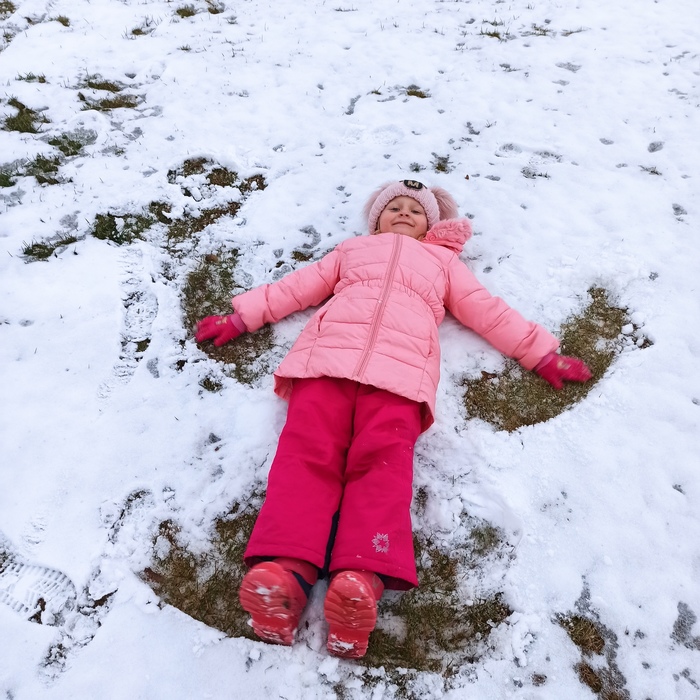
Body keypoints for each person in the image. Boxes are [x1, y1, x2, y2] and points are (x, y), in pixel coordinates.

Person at [195, 179, 591, 658]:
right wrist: (243, 317)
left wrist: (540, 354)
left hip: (399, 378)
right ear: (377, 221)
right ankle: (287, 575)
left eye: (415, 210)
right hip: (326, 365)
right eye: (394, 207)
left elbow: (487, 311)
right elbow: (296, 288)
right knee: (304, 456)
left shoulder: (443, 263)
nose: (404, 213)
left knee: (382, 469)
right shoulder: (351, 251)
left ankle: (361, 577)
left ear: (430, 226)